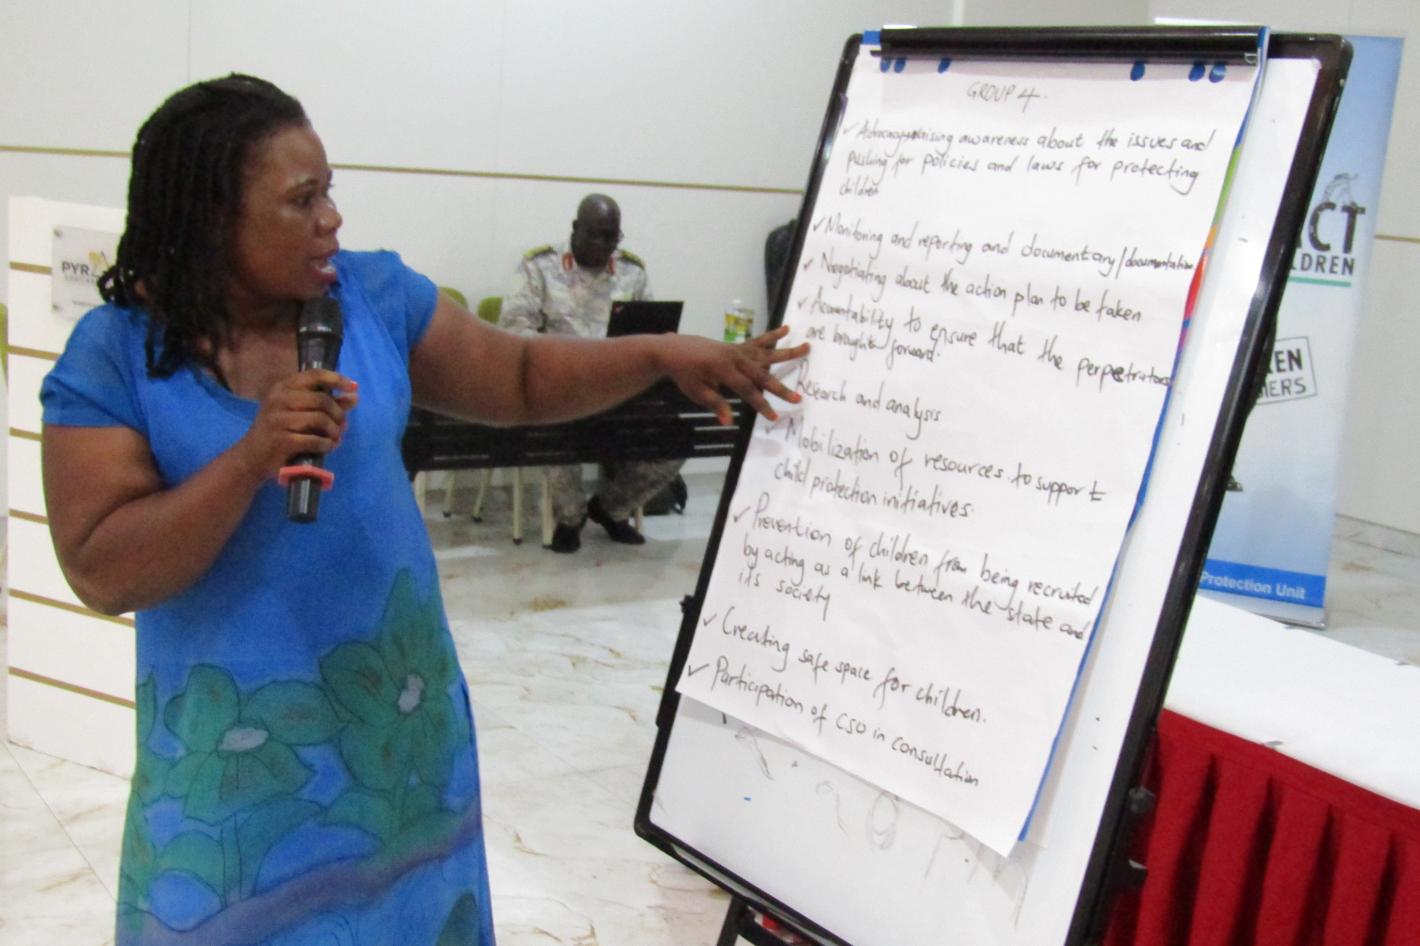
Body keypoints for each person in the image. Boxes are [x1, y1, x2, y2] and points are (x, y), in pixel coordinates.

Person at [39, 75, 807, 946]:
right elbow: (100, 567)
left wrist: (661, 356)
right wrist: (252, 459)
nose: (331, 219)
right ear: (213, 216)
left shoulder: (371, 299)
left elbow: (520, 376)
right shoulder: (116, 356)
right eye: (302, 199)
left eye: (330, 191)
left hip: (396, 751)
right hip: (233, 784)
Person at [499, 193, 681, 553]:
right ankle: (571, 517)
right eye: (594, 235)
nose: (602, 245)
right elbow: (513, 330)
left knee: (676, 441)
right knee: (550, 433)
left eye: (611, 237)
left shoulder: (632, 271)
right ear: (575, 229)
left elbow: (650, 336)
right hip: (559, 390)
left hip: (620, 393)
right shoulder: (539, 266)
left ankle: (611, 509)